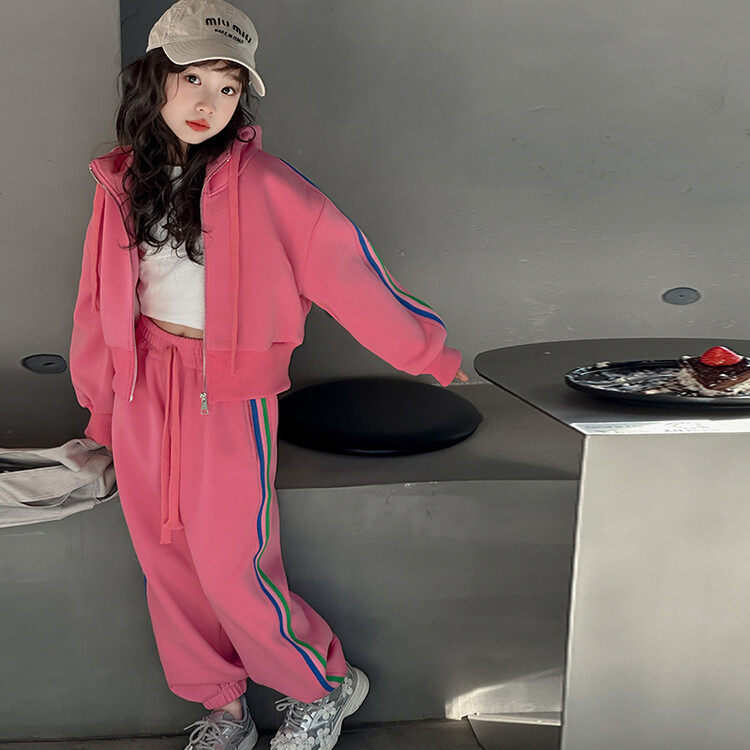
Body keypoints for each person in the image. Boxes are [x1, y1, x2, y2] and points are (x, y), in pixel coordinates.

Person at [68, 1, 468, 748]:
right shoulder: (119, 181)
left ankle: (321, 686)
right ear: (153, 78)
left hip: (229, 393)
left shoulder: (267, 184)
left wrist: (430, 353)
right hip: (140, 386)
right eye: (192, 77)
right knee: (166, 560)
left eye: (227, 87)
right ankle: (223, 707)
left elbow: (348, 268)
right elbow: (96, 303)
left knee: (231, 563)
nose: (208, 102)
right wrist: (101, 409)